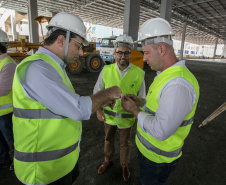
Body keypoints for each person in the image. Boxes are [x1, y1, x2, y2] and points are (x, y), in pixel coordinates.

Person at [12, 12, 121, 185]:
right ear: (61, 40)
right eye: (78, 45)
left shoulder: (53, 67)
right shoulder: (37, 69)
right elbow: (78, 109)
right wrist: (107, 93)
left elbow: (66, 105)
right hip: (41, 173)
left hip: (60, 166)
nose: (80, 51)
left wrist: (100, 101)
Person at [121, 18, 200, 185]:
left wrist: (135, 111)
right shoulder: (166, 76)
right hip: (150, 154)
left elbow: (161, 130)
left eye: (147, 53)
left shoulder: (178, 84)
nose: (143, 59)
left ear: (162, 49)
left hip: (157, 160)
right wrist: (141, 102)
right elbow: (158, 107)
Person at [94, 34, 146, 182]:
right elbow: (96, 92)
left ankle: (124, 166)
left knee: (125, 143)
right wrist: (98, 110)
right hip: (109, 117)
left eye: (126, 53)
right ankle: (108, 160)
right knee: (108, 139)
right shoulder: (106, 70)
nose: (123, 56)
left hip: (127, 119)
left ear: (130, 54)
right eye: (120, 53)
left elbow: (142, 99)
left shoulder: (139, 73)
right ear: (115, 53)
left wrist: (138, 114)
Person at [0, 29, 17, 171]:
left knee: (13, 139)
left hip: (7, 112)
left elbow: (2, 90)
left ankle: (18, 161)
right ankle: (4, 159)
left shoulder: (8, 64)